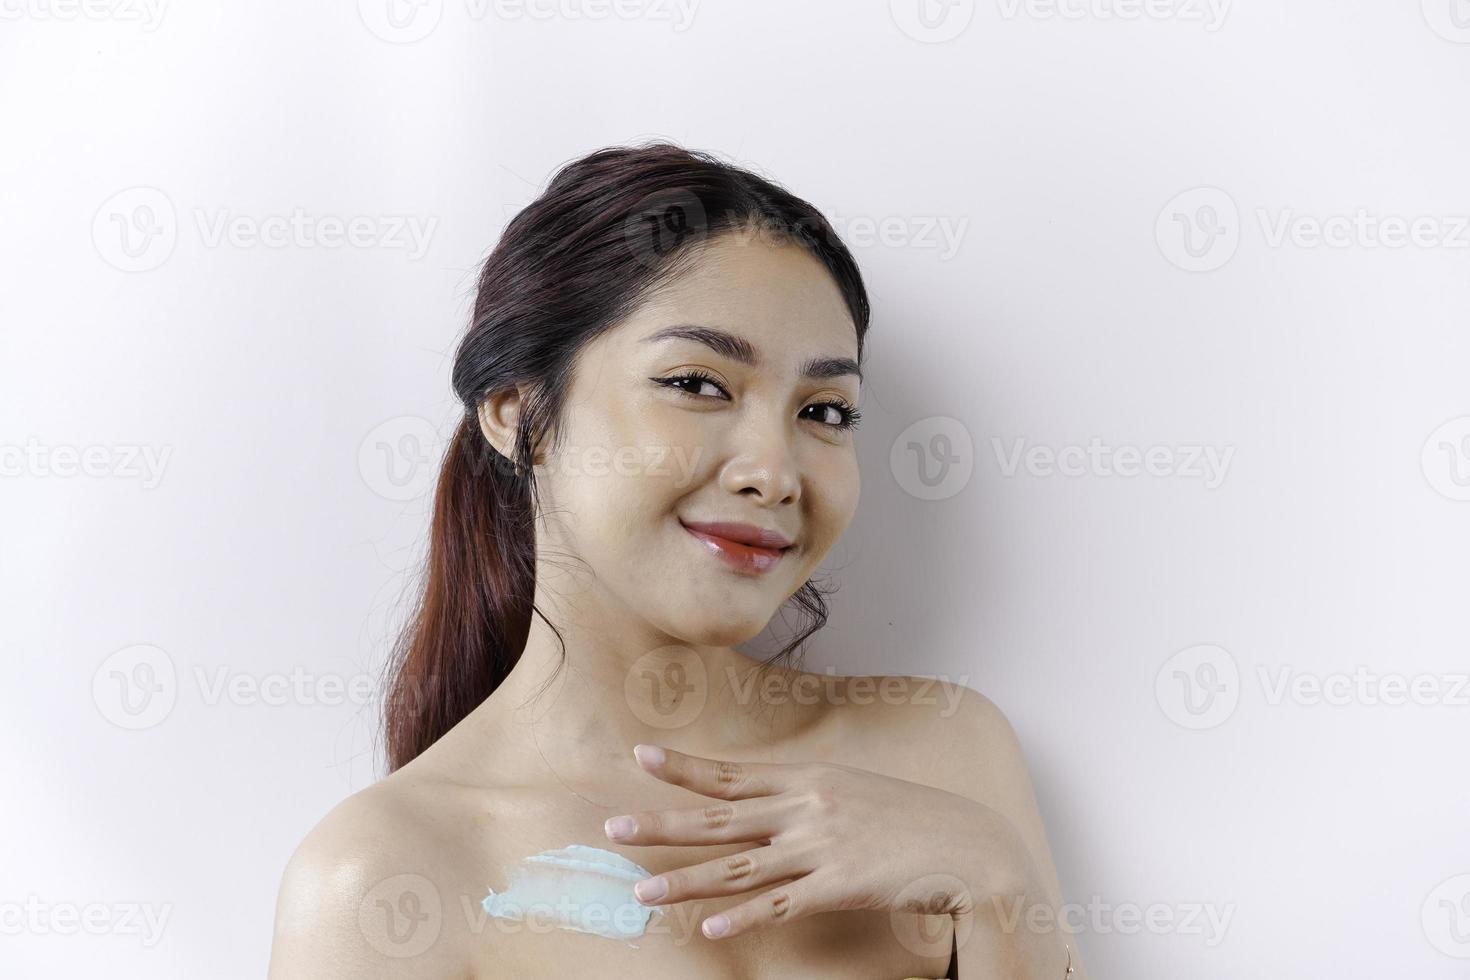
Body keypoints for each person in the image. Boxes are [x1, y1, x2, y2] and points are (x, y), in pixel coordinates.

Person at [267, 141, 1084, 979]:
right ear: (517, 413)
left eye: (827, 411)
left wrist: (993, 881)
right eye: (697, 384)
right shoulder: (382, 876)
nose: (773, 472)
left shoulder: (946, 753)